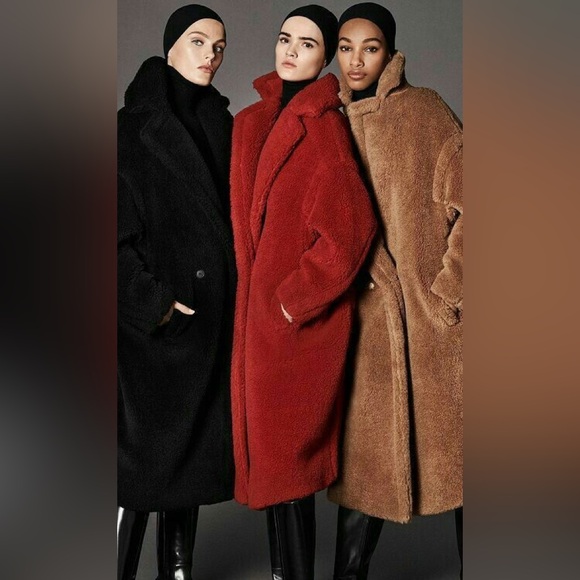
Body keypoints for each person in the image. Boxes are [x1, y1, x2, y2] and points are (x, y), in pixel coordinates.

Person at [229, 5, 377, 579]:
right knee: (270, 469)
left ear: (325, 57)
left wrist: (291, 301)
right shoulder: (251, 122)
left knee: (288, 469)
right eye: (285, 38)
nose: (290, 51)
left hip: (294, 332)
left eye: (308, 44)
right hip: (255, 327)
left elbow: (352, 230)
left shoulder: (325, 129)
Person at [327, 3, 463, 579]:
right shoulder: (326, 121)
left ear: (390, 53)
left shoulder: (426, 112)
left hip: (434, 330)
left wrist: (447, 293)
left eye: (371, 47)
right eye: (346, 47)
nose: (356, 60)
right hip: (361, 328)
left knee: (463, 466)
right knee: (366, 470)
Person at [117, 5, 236, 579]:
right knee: (138, 472)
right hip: (156, 333)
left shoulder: (224, 125)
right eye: (197, 41)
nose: (210, 55)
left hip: (211, 326)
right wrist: (156, 305)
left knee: (188, 469)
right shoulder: (129, 129)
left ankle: (177, 572)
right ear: (170, 48)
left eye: (219, 46)